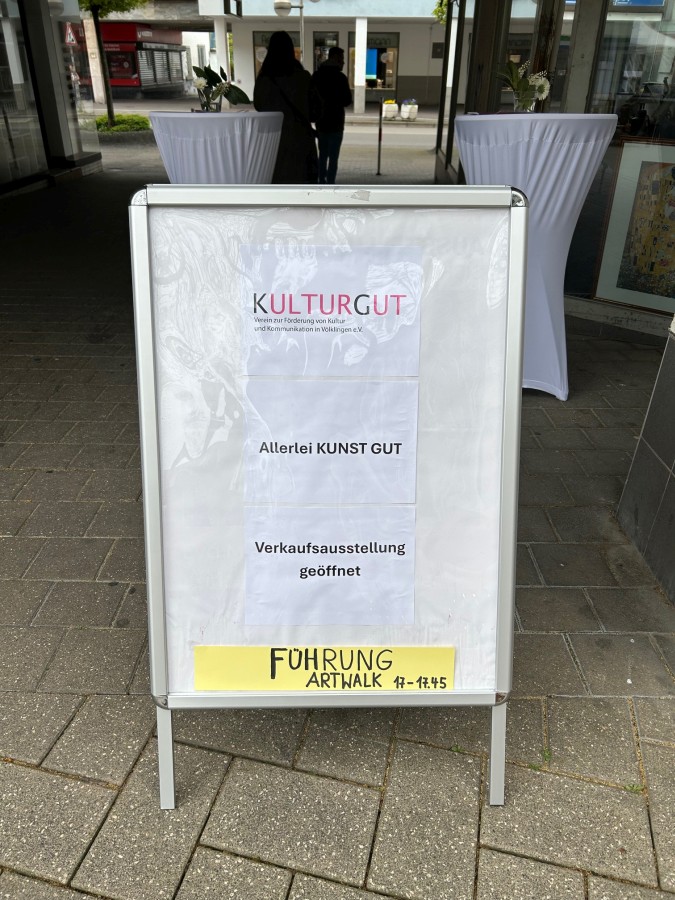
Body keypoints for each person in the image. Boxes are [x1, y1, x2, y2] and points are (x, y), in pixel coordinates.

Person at [253, 31, 318, 184]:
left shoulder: (264, 79)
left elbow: (258, 106)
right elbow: (315, 112)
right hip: (301, 141)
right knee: (302, 185)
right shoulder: (303, 77)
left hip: (273, 142)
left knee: (276, 184)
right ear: (290, 50)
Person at [310, 47, 352, 184]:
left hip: (321, 122)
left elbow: (310, 98)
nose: (343, 62)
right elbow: (347, 101)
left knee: (322, 155)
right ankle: (330, 183)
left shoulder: (316, 76)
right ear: (335, 58)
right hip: (336, 123)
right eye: (342, 59)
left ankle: (321, 182)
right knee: (333, 158)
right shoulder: (341, 78)